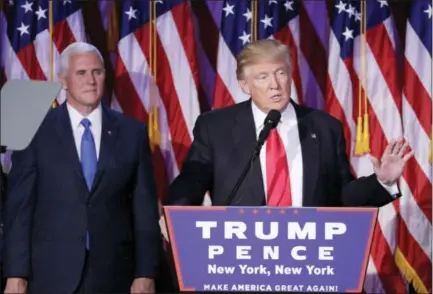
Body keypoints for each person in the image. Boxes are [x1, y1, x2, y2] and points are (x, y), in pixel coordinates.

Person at [164, 39, 413, 208]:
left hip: (304, 258)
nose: (275, 84)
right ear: (244, 85)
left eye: (280, 73)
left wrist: (383, 181)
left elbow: (340, 197)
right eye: (262, 77)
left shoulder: (324, 127)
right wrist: (173, 216)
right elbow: (191, 183)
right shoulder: (216, 127)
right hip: (240, 257)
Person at [2, 42, 161, 294]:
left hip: (114, 275)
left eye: (97, 72)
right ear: (63, 80)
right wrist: (16, 274)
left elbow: (143, 209)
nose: (91, 80)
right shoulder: (35, 131)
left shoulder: (132, 132)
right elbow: (20, 209)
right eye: (81, 73)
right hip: (50, 274)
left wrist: (146, 272)